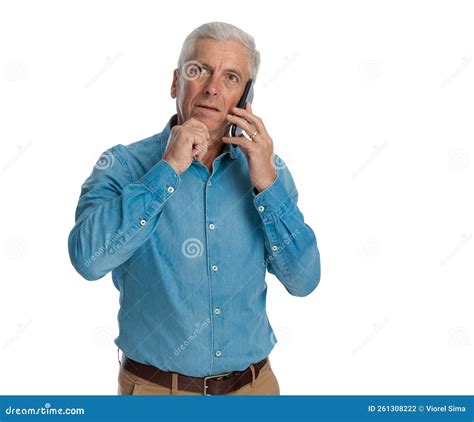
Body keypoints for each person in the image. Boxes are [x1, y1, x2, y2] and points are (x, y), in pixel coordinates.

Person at [68, 21, 321, 396]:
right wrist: (167, 170)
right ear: (175, 83)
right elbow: (88, 260)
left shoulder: (267, 170)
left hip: (255, 390)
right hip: (157, 394)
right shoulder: (122, 166)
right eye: (198, 70)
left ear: (246, 97)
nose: (213, 88)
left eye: (231, 77)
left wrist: (267, 186)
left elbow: (304, 281)